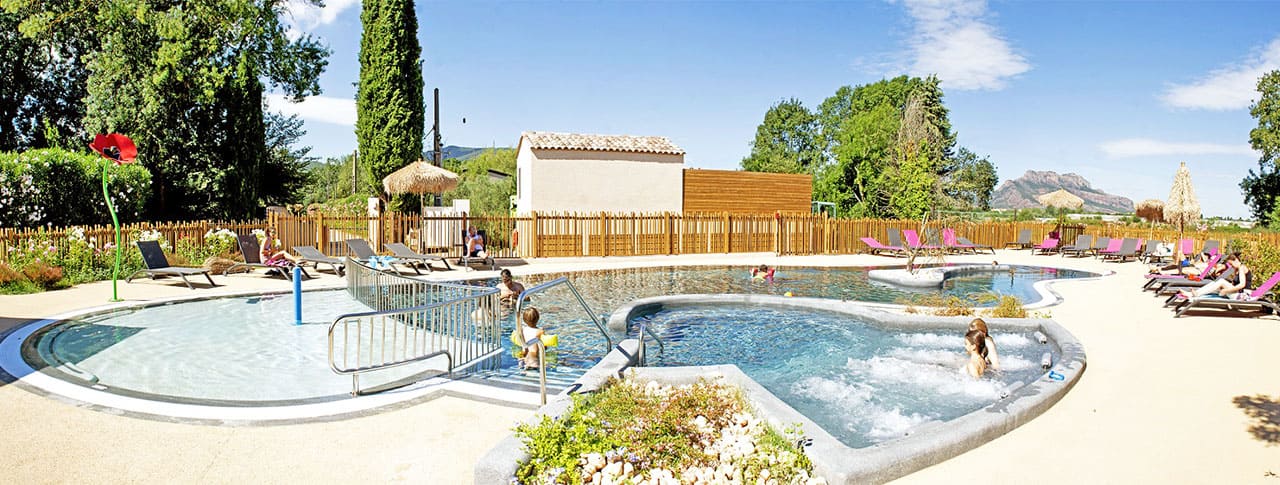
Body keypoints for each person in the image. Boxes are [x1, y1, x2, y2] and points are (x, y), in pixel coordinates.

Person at [1177, 252, 1251, 300]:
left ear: (1236, 260)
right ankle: (1192, 294)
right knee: (1215, 283)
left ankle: (1194, 294)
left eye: (1231, 264)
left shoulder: (1242, 268)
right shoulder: (1237, 269)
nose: (1231, 266)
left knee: (1221, 281)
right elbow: (1235, 284)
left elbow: (1242, 284)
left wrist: (1226, 290)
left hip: (1242, 296)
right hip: (1237, 293)